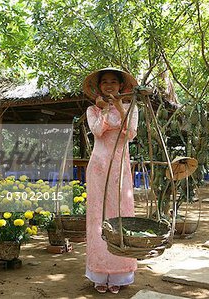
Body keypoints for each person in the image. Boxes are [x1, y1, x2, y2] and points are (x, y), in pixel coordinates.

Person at [83, 68, 139, 294]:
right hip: (98, 166)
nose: (108, 85)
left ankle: (119, 274)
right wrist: (105, 109)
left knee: (120, 216)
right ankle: (99, 272)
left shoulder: (131, 109)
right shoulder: (92, 110)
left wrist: (117, 106)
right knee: (98, 218)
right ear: (98, 87)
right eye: (104, 82)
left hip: (120, 168)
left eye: (113, 82)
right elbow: (97, 131)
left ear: (121, 86)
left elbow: (131, 132)